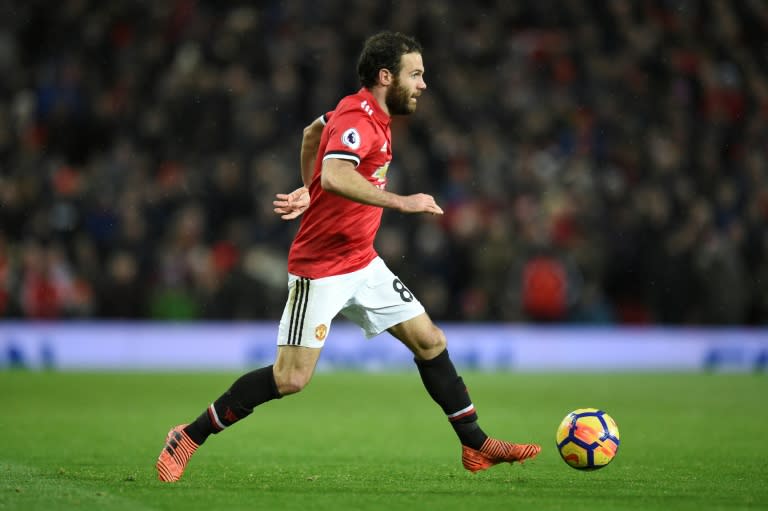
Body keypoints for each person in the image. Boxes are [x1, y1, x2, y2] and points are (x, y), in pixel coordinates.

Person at [156, 31, 540, 483]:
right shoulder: (358, 119)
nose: (423, 84)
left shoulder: (361, 112)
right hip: (320, 270)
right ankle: (188, 436)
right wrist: (398, 201)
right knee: (291, 378)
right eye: (415, 74)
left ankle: (476, 446)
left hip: (363, 261)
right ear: (385, 76)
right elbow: (337, 173)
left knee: (430, 341)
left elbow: (310, 133)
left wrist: (309, 188)